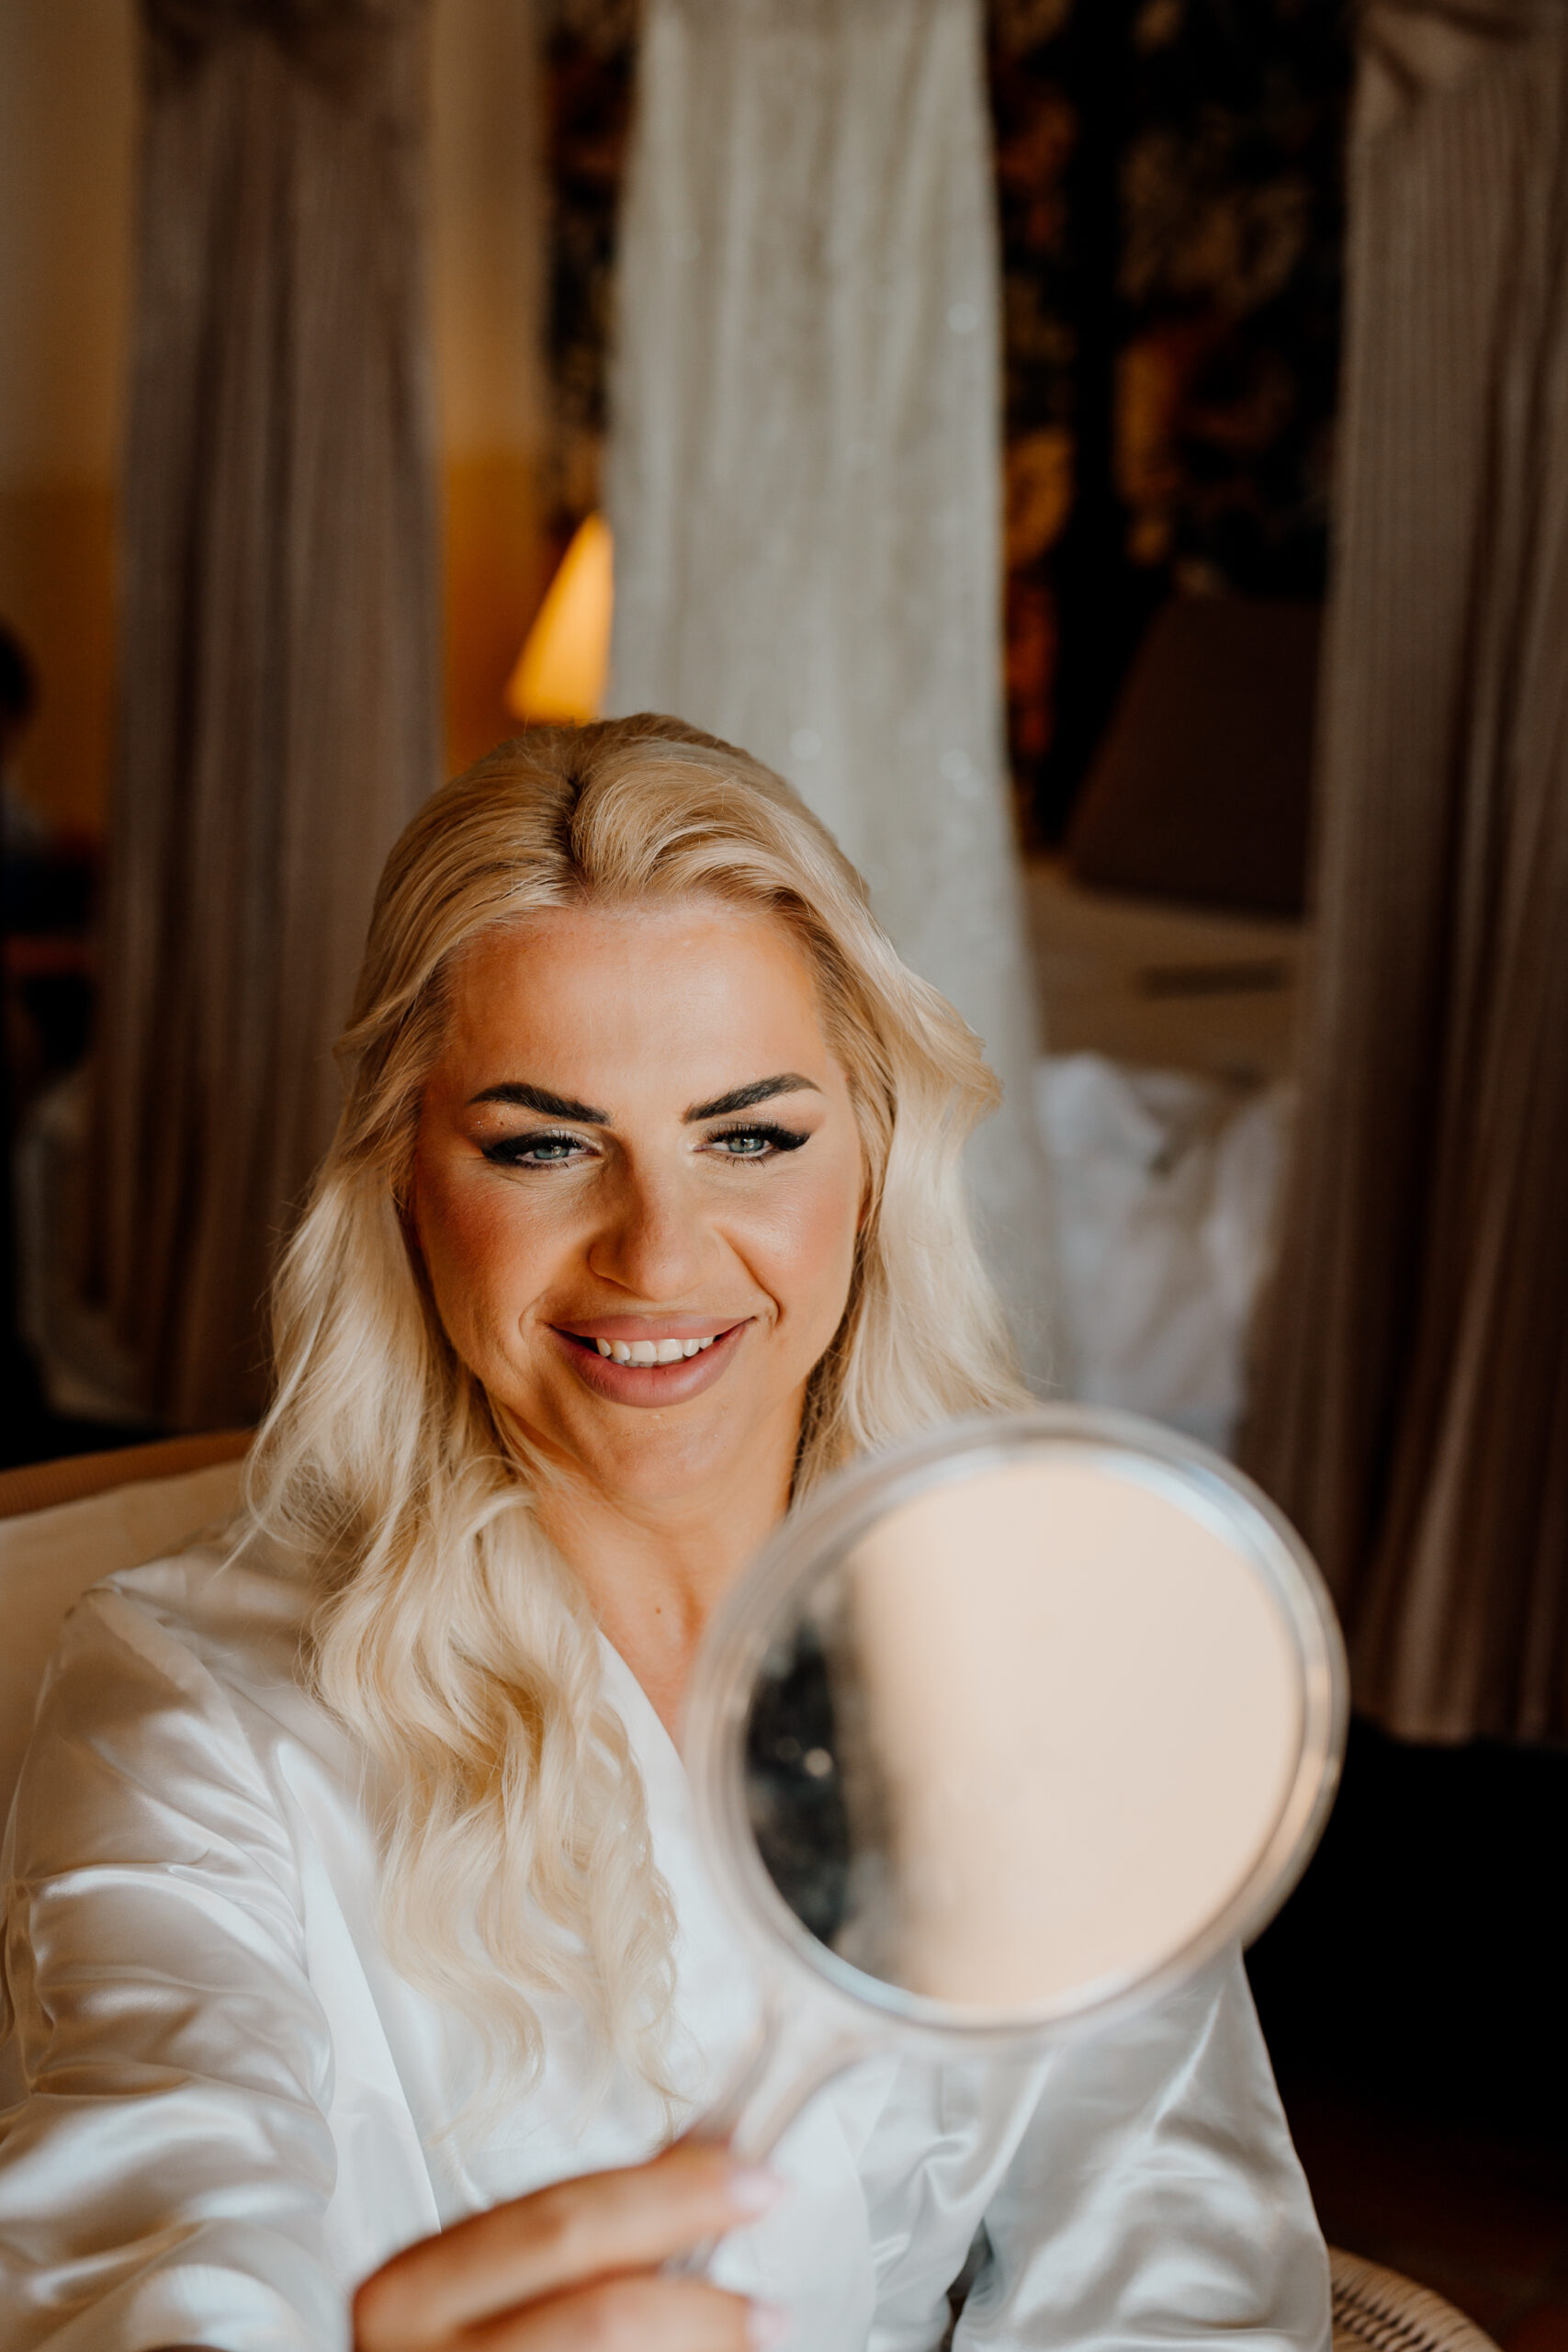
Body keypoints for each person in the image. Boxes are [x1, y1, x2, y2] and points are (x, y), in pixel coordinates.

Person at [0, 718, 1328, 2352]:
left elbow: (1180, 2262)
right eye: (546, 1145)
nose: (658, 1253)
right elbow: (156, 2261)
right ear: (410, 1181)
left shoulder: (1017, 1658)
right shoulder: (190, 1718)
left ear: (875, 1163)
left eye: (750, 1135)